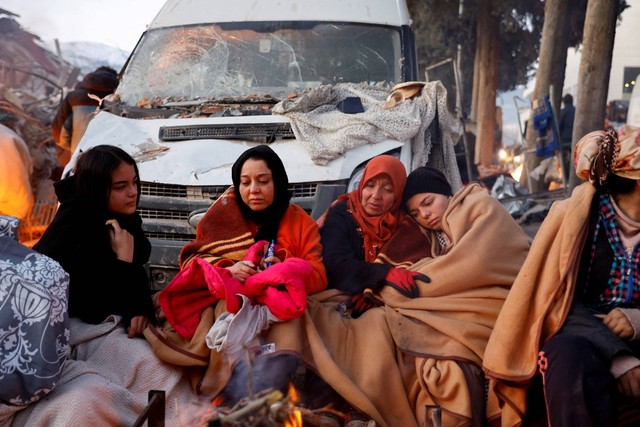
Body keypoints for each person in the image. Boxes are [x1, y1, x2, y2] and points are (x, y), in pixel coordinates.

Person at [145, 144, 327, 403]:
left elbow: (319, 274)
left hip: (281, 306)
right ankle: (224, 394)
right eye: (245, 182)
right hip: (232, 302)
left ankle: (271, 397)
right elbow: (194, 261)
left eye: (263, 181)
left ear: (277, 181)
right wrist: (228, 269)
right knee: (227, 310)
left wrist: (286, 270)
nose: (253, 190)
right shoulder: (222, 215)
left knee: (289, 333)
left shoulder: (299, 222)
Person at [484, 125, 640, 427]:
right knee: (566, 356)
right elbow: (553, 301)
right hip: (588, 335)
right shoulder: (577, 219)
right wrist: (619, 357)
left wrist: (636, 320)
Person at [34, 144, 154, 338]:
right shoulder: (73, 229)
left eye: (134, 182)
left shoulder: (118, 217)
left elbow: (136, 272)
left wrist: (140, 308)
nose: (133, 192)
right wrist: (124, 260)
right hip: (60, 328)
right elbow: (93, 308)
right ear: (96, 188)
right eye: (121, 186)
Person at [319, 154, 430, 315]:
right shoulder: (343, 212)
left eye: (387, 189)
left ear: (397, 195)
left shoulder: (405, 222)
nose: (375, 195)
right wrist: (384, 274)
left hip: (389, 299)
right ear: (362, 184)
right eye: (370, 185)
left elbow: (414, 264)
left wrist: (375, 291)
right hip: (343, 295)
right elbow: (335, 264)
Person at [51, 66, 119, 166]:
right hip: (106, 162)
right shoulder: (117, 100)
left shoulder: (73, 96)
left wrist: (70, 149)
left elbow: (58, 130)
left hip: (76, 159)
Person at [558, 93, 575, 180]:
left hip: (565, 139)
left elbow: (559, 126)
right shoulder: (576, 110)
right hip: (576, 138)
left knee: (565, 160)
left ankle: (567, 178)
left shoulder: (563, 112)